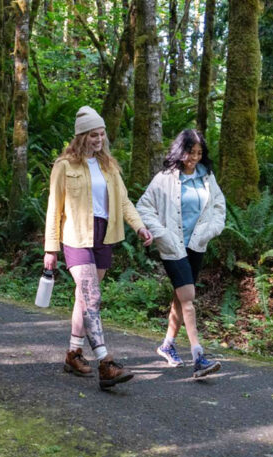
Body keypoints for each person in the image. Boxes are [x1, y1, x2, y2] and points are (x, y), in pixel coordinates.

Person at [44, 106, 154, 389]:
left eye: (102, 134)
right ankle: (106, 362)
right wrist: (50, 249)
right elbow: (54, 208)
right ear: (81, 137)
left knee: (85, 298)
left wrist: (139, 226)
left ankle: (73, 353)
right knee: (91, 296)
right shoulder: (65, 166)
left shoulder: (109, 167)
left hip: (104, 236)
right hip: (76, 235)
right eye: (93, 135)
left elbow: (125, 202)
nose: (99, 139)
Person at [137, 129, 226, 378]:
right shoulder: (165, 178)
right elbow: (143, 206)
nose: (194, 158)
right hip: (173, 245)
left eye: (199, 153)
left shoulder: (207, 177)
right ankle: (198, 356)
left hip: (196, 244)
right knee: (188, 295)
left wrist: (213, 228)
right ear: (181, 151)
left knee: (179, 298)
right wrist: (161, 233)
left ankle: (167, 345)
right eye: (190, 152)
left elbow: (219, 206)